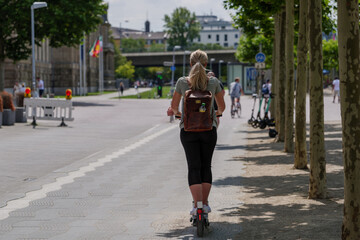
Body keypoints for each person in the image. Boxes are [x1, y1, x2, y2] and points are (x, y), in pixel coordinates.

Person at [169, 49, 225, 216]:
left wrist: (181, 115)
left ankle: (197, 206)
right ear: (206, 64)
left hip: (188, 130)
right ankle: (205, 204)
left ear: (190, 63)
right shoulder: (214, 81)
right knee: (206, 166)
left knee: (193, 167)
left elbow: (173, 107)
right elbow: (221, 107)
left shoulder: (181, 82)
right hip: (209, 130)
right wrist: (215, 115)